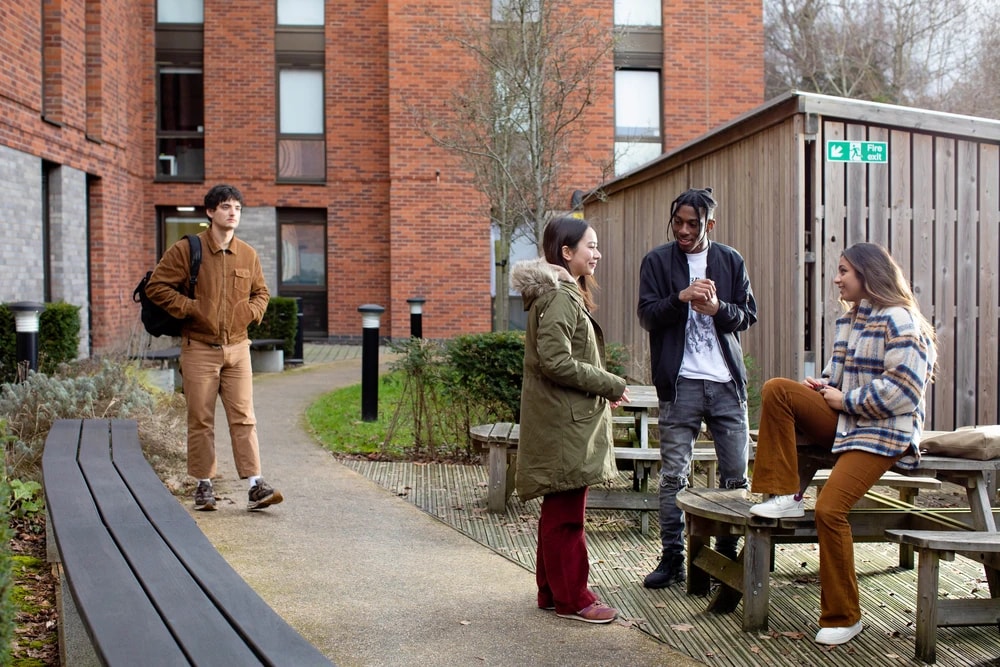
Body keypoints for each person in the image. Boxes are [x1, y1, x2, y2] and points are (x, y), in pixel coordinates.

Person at [748, 242, 936, 645]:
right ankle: (784, 493)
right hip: (847, 422)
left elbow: (905, 390)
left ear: (868, 275)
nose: (837, 278)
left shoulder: (901, 320)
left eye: (843, 271)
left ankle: (843, 617)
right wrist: (825, 386)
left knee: (830, 510)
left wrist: (844, 399)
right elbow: (838, 376)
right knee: (778, 390)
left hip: (885, 433)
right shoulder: (847, 322)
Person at [510, 215, 630, 624]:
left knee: (557, 510)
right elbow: (555, 360)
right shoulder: (561, 295)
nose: (596, 254)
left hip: (563, 418)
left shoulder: (560, 293)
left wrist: (600, 387)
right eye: (590, 246)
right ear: (566, 252)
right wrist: (609, 383)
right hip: (565, 424)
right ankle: (573, 598)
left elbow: (560, 359)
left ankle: (551, 592)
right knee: (567, 517)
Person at [636, 187, 757, 588]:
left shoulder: (730, 260)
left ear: (710, 224)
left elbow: (747, 316)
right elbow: (648, 316)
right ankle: (673, 559)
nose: (683, 230)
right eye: (678, 222)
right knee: (673, 476)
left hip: (725, 384)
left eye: (693, 224)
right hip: (680, 382)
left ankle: (727, 561)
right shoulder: (657, 260)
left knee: (735, 477)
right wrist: (682, 298)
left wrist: (718, 309)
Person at [146, 184, 283, 512]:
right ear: (210, 212)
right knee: (201, 418)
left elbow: (261, 293)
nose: (232, 212)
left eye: (237, 207)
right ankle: (203, 485)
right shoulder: (187, 250)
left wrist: (249, 313)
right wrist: (191, 308)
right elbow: (156, 287)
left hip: (238, 349)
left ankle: (255, 485)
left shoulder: (248, 254)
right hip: (199, 349)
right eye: (225, 206)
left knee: (244, 417)